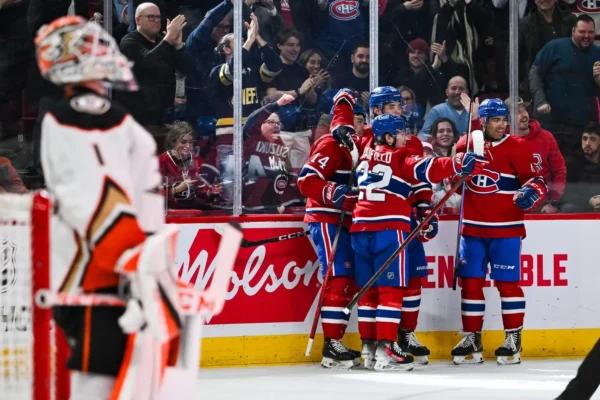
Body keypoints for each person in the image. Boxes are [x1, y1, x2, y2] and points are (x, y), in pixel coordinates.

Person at [35, 16, 183, 399]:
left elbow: (138, 202)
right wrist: (139, 265)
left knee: (125, 377)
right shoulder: (70, 117)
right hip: (93, 279)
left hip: (118, 273)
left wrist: (154, 269)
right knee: (99, 376)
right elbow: (96, 202)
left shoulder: (119, 123)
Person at [351, 113, 486, 371]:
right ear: (388, 136)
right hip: (389, 230)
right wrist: (458, 162)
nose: (405, 137)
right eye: (400, 132)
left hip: (359, 229)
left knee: (368, 294)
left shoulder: (366, 157)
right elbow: (428, 168)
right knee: (391, 293)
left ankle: (367, 350)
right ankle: (385, 352)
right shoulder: (401, 157)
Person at [451, 98, 547, 366]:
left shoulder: (518, 147)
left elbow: (538, 182)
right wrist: (459, 169)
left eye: (504, 119)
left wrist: (531, 194)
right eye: (496, 119)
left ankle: (513, 338)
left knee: (508, 284)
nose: (502, 124)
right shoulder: (465, 145)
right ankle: (472, 337)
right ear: (482, 121)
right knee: (470, 284)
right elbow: (453, 182)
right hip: (472, 230)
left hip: (506, 229)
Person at [297, 88, 363, 369]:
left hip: (344, 219)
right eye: (355, 119)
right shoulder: (330, 144)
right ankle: (332, 345)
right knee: (337, 276)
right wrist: (335, 194)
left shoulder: (359, 146)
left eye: (360, 119)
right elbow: (306, 180)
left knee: (346, 278)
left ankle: (335, 341)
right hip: (325, 217)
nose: (359, 125)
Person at [367, 85, 433, 364]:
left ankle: (406, 334)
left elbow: (420, 181)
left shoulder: (411, 142)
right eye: (393, 105)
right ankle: (378, 343)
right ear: (378, 110)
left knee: (414, 277)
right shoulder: (365, 141)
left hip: (406, 220)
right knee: (382, 284)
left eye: (400, 104)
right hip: (381, 224)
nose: (400, 109)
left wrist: (425, 206)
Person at [116, 2, 189, 145]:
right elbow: (148, 63)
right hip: (139, 122)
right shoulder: (129, 41)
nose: (156, 21)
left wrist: (179, 45)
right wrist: (168, 39)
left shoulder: (163, 43)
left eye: (158, 17)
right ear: (138, 20)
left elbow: (186, 69)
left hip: (164, 120)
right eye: (151, 17)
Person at [529, 14, 600, 157]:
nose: (586, 36)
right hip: (551, 122)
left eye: (590, 32)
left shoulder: (597, 53)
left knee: (577, 170)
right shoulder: (555, 46)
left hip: (582, 126)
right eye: (582, 32)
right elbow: (535, 73)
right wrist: (540, 100)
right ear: (573, 31)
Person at [242, 93, 303, 212]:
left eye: (278, 123)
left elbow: (287, 177)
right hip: (252, 209)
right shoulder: (252, 139)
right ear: (260, 125)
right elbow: (251, 121)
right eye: (270, 122)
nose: (275, 126)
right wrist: (277, 104)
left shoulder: (281, 146)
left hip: (276, 209)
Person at [506, 97, 566, 213]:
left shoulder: (546, 137)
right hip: (512, 203)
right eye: (517, 112)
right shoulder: (502, 140)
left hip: (543, 203)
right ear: (507, 119)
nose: (523, 115)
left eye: (524, 110)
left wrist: (553, 201)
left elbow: (559, 170)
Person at [159, 121, 221, 210]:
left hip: (192, 211)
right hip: (170, 213)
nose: (188, 146)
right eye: (183, 142)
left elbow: (198, 191)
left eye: (190, 142)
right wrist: (177, 189)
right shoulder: (162, 161)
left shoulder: (196, 160)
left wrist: (210, 193)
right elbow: (152, 193)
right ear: (173, 142)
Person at [560, 123, 600, 212]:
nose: (587, 143)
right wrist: (589, 200)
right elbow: (567, 192)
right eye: (584, 139)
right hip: (582, 205)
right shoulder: (572, 163)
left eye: (593, 139)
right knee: (568, 208)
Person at [419, 76, 471, 141]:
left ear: (467, 92)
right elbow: (423, 135)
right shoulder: (437, 111)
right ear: (447, 92)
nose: (457, 92)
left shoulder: (473, 111)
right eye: (453, 88)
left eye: (461, 89)